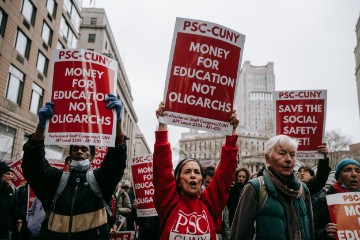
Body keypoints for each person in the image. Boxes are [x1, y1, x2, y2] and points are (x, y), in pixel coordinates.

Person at [22, 93, 127, 240]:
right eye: (75, 148)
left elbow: (116, 163)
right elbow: (33, 167)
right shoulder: (57, 180)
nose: (79, 151)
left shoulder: (99, 181)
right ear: (70, 154)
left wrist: (117, 126)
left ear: (91, 156)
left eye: (84, 149)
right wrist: (41, 127)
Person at [153, 102, 239, 240]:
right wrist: (163, 123)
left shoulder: (210, 202)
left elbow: (225, 173)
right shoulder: (168, 201)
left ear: (201, 180)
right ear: (179, 181)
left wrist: (231, 131)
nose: (193, 175)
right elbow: (161, 168)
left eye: (197, 172)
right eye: (187, 172)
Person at [230, 135, 314, 240]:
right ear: (267, 159)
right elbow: (240, 234)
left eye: (292, 155)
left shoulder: (302, 190)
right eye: (282, 153)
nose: (288, 159)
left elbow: (310, 230)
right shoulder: (254, 188)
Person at [314, 158, 360, 240]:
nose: (354, 174)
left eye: (357, 171)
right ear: (338, 177)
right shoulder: (325, 201)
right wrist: (325, 232)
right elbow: (314, 231)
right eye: (348, 170)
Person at [0, 161, 17, 240]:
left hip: (5, 232)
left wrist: (17, 220)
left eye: (11, 174)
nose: (10, 176)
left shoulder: (11, 190)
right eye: (7, 173)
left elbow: (13, 209)